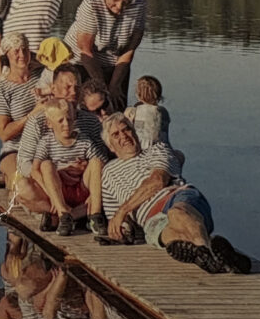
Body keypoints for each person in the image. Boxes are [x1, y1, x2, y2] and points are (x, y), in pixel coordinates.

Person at [101, 113, 251, 273]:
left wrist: (123, 210)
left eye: (126, 129)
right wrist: (121, 230)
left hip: (175, 197)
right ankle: (223, 257)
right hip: (150, 219)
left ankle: (206, 253)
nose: (123, 136)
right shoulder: (108, 173)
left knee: (176, 214)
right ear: (111, 146)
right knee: (169, 234)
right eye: (116, 134)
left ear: (135, 132)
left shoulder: (157, 149)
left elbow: (158, 180)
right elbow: (116, 221)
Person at [13, 64, 106, 213]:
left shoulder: (91, 121)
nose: (73, 92)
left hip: (83, 183)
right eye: (67, 87)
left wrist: (86, 166)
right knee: (23, 188)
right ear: (53, 89)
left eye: (77, 88)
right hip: (51, 184)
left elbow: (103, 157)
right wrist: (57, 174)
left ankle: (67, 214)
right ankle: (69, 211)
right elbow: (24, 162)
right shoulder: (38, 121)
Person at [64, 0, 147, 111]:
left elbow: (129, 50)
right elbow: (86, 50)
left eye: (125, 2)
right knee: (91, 106)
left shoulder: (138, 5)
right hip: (82, 61)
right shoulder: (91, 4)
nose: (120, 6)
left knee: (117, 106)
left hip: (116, 62)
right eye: (115, 0)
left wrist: (114, 85)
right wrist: (103, 88)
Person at [34, 99, 107, 236]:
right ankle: (64, 215)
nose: (66, 124)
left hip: (82, 186)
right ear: (49, 123)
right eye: (60, 121)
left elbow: (101, 163)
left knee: (97, 162)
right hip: (61, 190)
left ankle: (95, 214)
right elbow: (34, 170)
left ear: (74, 119)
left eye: (69, 119)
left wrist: (93, 194)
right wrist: (51, 194)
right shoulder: (46, 143)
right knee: (45, 165)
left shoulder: (84, 141)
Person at [0, 32, 45, 189]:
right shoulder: (1, 89)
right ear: (7, 54)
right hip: (15, 150)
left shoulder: (42, 77)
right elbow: (4, 134)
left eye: (25, 49)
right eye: (16, 51)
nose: (22, 55)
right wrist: (32, 114)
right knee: (23, 186)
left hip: (44, 146)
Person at [124, 75, 174, 151]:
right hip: (163, 148)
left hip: (141, 148)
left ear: (138, 95)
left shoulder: (132, 111)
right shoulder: (163, 112)